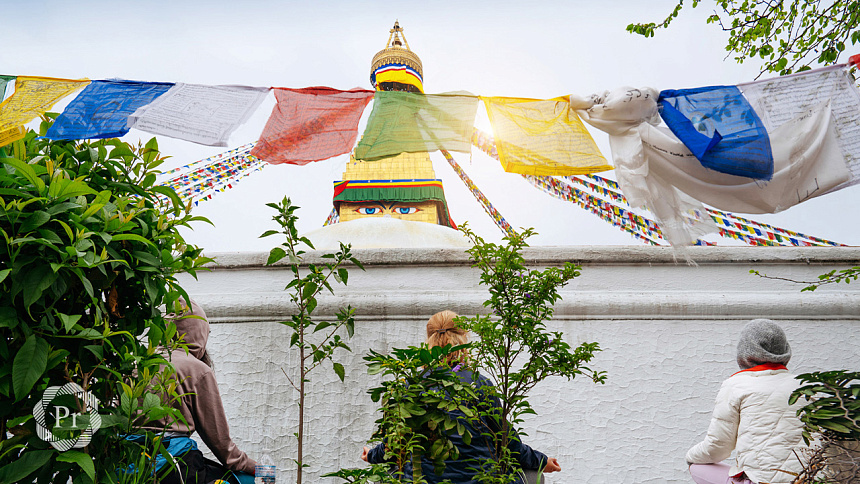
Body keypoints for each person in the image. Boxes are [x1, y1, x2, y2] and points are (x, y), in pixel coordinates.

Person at [361, 310, 561, 484]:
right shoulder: (478, 383)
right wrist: (541, 461)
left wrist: (372, 455)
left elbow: (395, 444)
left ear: (428, 340)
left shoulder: (412, 386)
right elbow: (506, 440)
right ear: (462, 338)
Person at [142, 299, 257, 484]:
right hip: (174, 463)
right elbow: (220, 442)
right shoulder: (196, 368)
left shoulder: (140, 362)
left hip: (131, 460)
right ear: (199, 332)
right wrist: (253, 466)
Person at [686, 319, 806, 484]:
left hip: (758, 481)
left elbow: (718, 447)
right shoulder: (805, 386)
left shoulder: (736, 385)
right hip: (808, 478)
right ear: (785, 352)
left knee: (698, 466)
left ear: (744, 351)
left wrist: (690, 456)